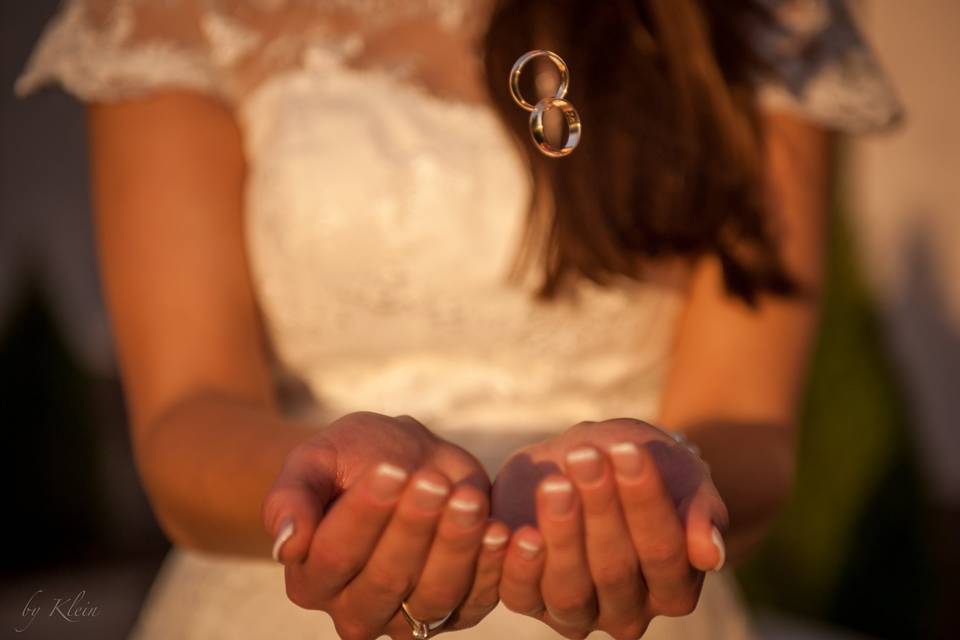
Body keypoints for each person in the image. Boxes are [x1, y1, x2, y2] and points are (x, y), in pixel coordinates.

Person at [14, 0, 901, 638]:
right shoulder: (175, 17)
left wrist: (654, 490)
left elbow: (749, 423)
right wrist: (328, 489)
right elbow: (187, 414)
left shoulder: (756, 22)